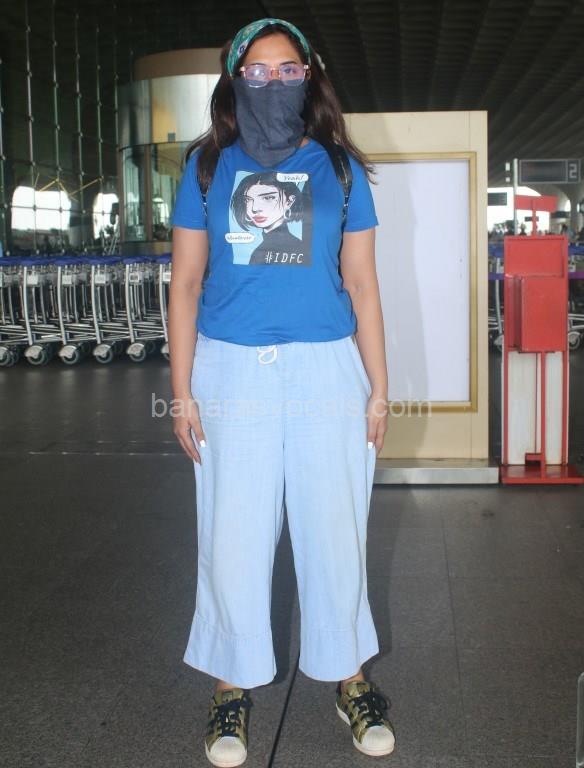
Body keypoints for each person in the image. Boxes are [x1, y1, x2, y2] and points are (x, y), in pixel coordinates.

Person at [168, 17, 394, 766]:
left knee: (335, 529)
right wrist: (181, 390)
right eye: (257, 71)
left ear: (309, 77)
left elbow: (362, 283)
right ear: (235, 80)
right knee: (232, 533)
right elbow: (185, 284)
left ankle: (349, 677)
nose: (273, 82)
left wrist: (379, 388)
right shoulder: (208, 168)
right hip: (231, 370)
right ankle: (231, 686)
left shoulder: (338, 169)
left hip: (327, 367)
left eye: (288, 70)